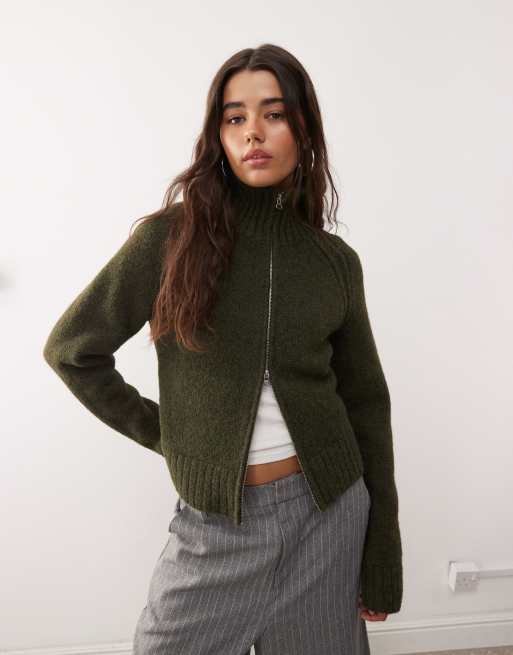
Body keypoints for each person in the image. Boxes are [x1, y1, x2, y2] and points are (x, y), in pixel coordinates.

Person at [43, 43, 403, 654]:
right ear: (218, 134)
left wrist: (382, 550)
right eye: (235, 117)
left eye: (274, 114)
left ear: (304, 130)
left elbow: (367, 403)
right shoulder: (169, 239)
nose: (253, 132)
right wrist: (172, 435)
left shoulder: (334, 262)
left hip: (328, 515)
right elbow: (72, 350)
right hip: (216, 526)